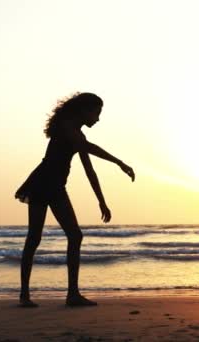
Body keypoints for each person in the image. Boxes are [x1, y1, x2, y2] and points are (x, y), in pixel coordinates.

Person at [15, 92, 135, 307]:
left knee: (56, 237)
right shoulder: (67, 128)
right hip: (46, 183)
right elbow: (90, 153)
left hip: (51, 184)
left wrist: (102, 199)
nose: (98, 119)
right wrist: (119, 163)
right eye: (96, 113)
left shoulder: (76, 132)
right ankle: (52, 295)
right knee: (52, 236)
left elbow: (89, 167)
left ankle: (60, 295)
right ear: (84, 110)